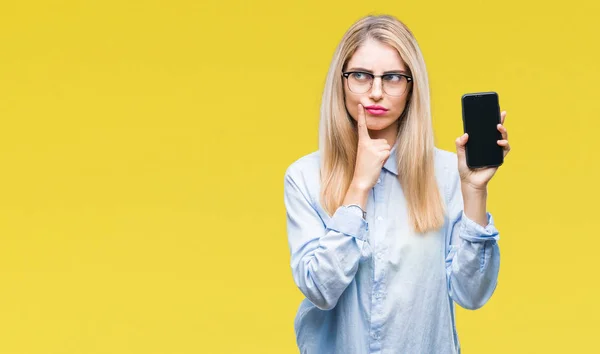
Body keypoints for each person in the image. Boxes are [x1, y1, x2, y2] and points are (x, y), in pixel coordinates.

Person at [282, 14, 511, 354]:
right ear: (341, 81)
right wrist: (358, 187)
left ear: (411, 86)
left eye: (391, 78)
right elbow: (320, 290)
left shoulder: (447, 173)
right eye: (360, 76)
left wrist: (475, 191)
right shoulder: (304, 177)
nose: (375, 92)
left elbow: (472, 294)